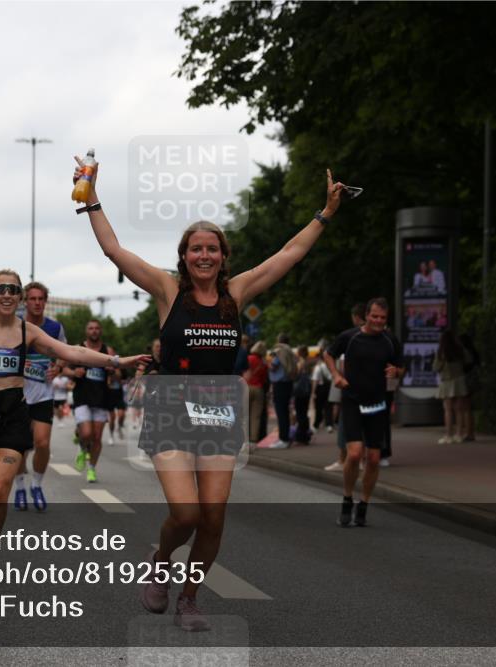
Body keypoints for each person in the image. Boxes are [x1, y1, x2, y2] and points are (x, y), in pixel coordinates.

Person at [75, 154, 345, 630]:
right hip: (171, 409)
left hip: (218, 411)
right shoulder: (166, 290)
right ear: (184, 256)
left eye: (213, 249)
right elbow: (115, 250)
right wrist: (90, 194)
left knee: (213, 518)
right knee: (185, 511)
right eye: (196, 249)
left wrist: (324, 213)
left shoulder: (235, 294)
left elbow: (289, 254)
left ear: (223, 257)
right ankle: (161, 558)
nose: (204, 256)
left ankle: (190, 599)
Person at [0, 269, 147, 576]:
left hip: (12, 417)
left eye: (13, 290)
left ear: (18, 297)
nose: (7, 294)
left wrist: (116, 361)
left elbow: (71, 351)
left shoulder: (26, 332)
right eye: (1, 289)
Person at [324, 297, 404, 528]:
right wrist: (336, 376)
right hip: (352, 400)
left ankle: (364, 504)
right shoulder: (350, 337)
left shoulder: (390, 340)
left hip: (377, 403)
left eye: (383, 318)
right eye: (374, 316)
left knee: (375, 458)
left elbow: (400, 366)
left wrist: (395, 371)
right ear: (366, 316)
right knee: (355, 454)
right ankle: (347, 498)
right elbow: (328, 354)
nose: (378, 321)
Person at [13, 281, 67, 512]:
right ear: (25, 301)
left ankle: (36, 483)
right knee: (18, 448)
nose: (36, 303)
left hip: (43, 394)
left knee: (42, 443)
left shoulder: (54, 328)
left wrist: (59, 367)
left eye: (40, 299)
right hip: (17, 395)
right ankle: (20, 486)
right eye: (32, 299)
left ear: (46, 301)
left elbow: (64, 352)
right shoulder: (15, 326)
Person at [66, 319, 117, 483]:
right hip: (82, 397)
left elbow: (119, 375)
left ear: (100, 331)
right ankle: (81, 445)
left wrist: (112, 370)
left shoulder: (107, 350)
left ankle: (92, 469)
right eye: (91, 328)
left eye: (96, 328)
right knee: (87, 433)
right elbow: (64, 368)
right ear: (86, 331)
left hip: (101, 398)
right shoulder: (78, 349)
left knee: (97, 438)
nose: (94, 331)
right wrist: (74, 373)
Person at [323, 303, 366, 472]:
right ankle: (362, 459)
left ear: (355, 317)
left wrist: (336, 375)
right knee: (367, 424)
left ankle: (343, 459)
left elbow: (328, 354)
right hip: (372, 388)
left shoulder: (349, 335)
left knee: (346, 424)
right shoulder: (383, 335)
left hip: (351, 387)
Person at [434, 329, 470, 444]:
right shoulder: (460, 350)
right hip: (459, 380)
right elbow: (469, 360)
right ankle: (459, 434)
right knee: (459, 410)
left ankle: (448, 435)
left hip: (446, 382)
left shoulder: (441, 352)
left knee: (448, 410)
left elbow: (435, 367)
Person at [266, 333, 297, 449]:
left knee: (281, 412)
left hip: (280, 384)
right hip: (288, 382)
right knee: (285, 410)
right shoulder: (290, 351)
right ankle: (286, 438)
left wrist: (267, 363)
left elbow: (274, 366)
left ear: (279, 340)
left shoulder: (279, 351)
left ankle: (283, 439)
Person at [244, 341, 268, 444]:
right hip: (258, 389)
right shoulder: (263, 363)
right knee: (256, 416)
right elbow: (264, 379)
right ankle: (253, 440)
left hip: (246, 387)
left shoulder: (248, 359)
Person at [292, 345, 313, 445]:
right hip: (306, 391)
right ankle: (306, 435)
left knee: (300, 413)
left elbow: (296, 375)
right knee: (304, 413)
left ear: (300, 352)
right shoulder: (309, 362)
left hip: (300, 391)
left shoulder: (300, 363)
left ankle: (301, 437)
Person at [312, 341, 334, 433]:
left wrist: (313, 392)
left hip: (320, 388)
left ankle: (316, 424)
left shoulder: (318, 367)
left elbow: (315, 380)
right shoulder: (329, 366)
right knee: (328, 407)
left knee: (318, 407)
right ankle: (329, 424)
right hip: (328, 387)